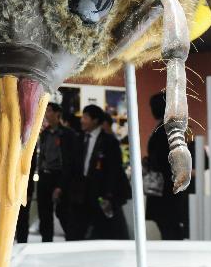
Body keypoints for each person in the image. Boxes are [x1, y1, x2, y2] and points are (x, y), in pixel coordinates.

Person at [66, 105, 129, 240]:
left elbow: (114, 171)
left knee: (101, 232)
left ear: (95, 120)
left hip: (99, 194)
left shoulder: (109, 142)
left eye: (85, 117)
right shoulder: (79, 138)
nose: (82, 120)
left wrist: (108, 194)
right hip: (80, 194)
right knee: (76, 232)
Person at [144, 92, 188, 239]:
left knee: (169, 227)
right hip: (166, 187)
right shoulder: (167, 128)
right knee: (168, 226)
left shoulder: (166, 130)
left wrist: (151, 163)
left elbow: (165, 158)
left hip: (166, 188)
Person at [36, 103, 78, 242]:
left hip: (60, 177)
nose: (46, 114)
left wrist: (61, 185)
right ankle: (46, 243)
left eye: (48, 111)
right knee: (44, 214)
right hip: (44, 176)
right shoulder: (45, 133)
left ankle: (71, 241)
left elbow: (70, 161)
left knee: (63, 213)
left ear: (57, 114)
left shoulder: (68, 134)